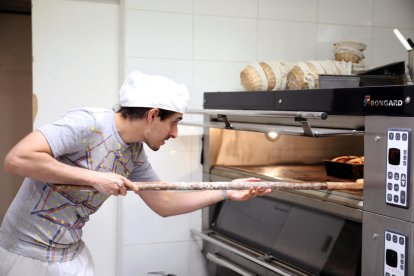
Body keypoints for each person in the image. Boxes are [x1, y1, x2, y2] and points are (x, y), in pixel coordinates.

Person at [0, 71, 271, 275]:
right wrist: (96, 178)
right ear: (153, 115)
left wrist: (226, 191)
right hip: (24, 254)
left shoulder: (134, 154)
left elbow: (164, 203)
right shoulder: (88, 123)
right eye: (174, 123)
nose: (175, 134)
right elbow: (17, 159)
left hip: (68, 254)